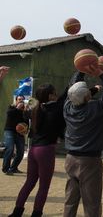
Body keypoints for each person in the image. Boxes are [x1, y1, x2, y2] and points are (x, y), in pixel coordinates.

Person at [63, 65, 103, 217]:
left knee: (70, 200)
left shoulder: (67, 108)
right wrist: (101, 73)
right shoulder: (95, 109)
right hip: (89, 162)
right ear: (88, 97)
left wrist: (81, 69)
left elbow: (73, 87)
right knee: (92, 202)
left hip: (70, 159)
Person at [8, 83, 67, 217]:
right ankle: (36, 214)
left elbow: (63, 96)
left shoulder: (36, 109)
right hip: (45, 150)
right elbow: (66, 96)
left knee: (29, 182)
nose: (57, 95)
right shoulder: (55, 109)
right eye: (54, 93)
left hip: (34, 149)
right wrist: (82, 76)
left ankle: (17, 212)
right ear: (50, 96)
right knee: (44, 186)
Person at [2, 95, 28, 175]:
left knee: (20, 152)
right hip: (9, 131)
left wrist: (25, 130)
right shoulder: (11, 107)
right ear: (16, 101)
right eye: (19, 99)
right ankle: (6, 169)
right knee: (10, 148)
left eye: (22, 100)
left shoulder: (25, 111)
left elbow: (26, 122)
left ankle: (13, 168)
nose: (21, 101)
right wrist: (17, 108)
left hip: (19, 133)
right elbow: (9, 114)